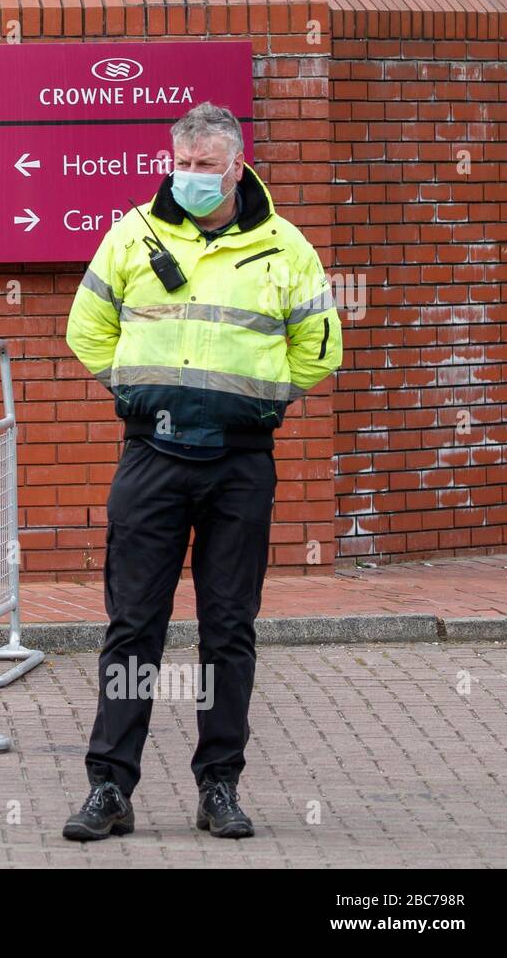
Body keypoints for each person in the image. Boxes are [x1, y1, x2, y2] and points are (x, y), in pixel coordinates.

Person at [62, 102, 342, 841]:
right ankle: (109, 788)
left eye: (203, 165)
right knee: (133, 629)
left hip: (239, 464)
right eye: (179, 163)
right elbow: (86, 329)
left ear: (236, 167)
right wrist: (139, 396)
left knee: (228, 630)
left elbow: (321, 348)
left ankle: (219, 785)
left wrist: (254, 404)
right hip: (150, 457)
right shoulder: (133, 236)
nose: (188, 177)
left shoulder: (287, 250)